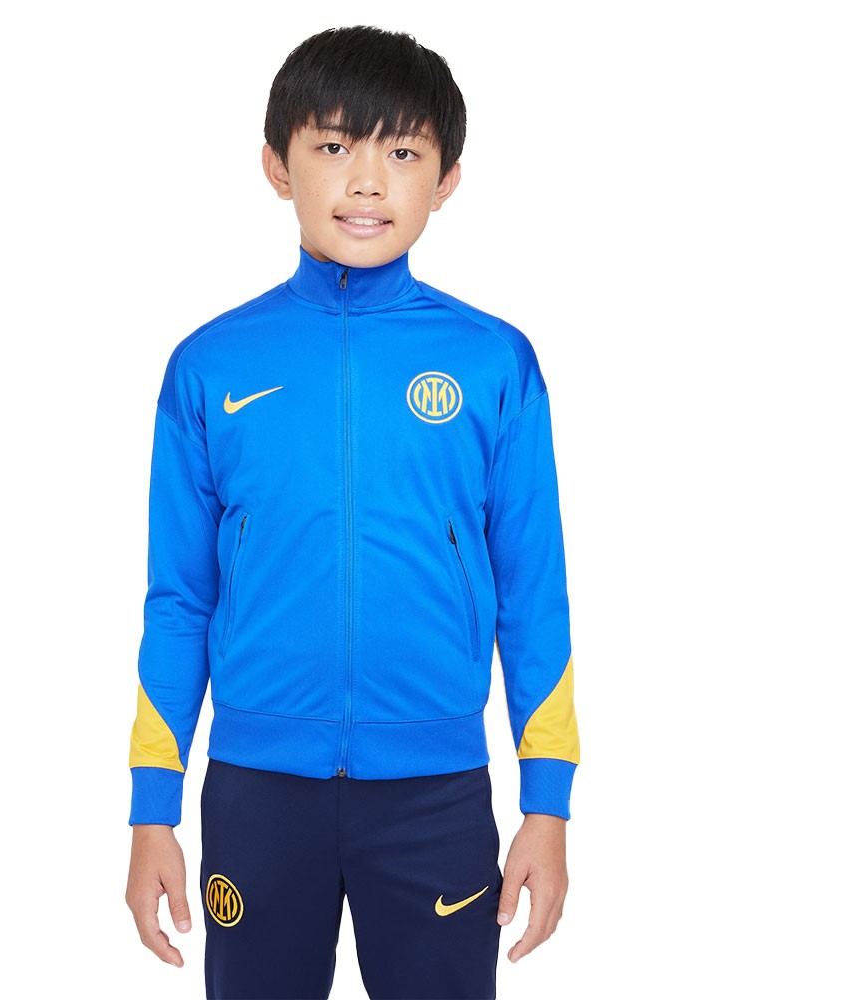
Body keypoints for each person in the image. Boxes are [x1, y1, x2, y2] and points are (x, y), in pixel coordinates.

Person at [124, 24, 580, 1000]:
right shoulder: (209, 365)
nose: (367, 182)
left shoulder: (494, 362)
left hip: (435, 797)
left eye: (402, 153)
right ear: (276, 164)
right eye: (334, 145)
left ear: (446, 180)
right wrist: (151, 808)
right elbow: (180, 601)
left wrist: (547, 805)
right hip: (256, 793)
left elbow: (532, 598)